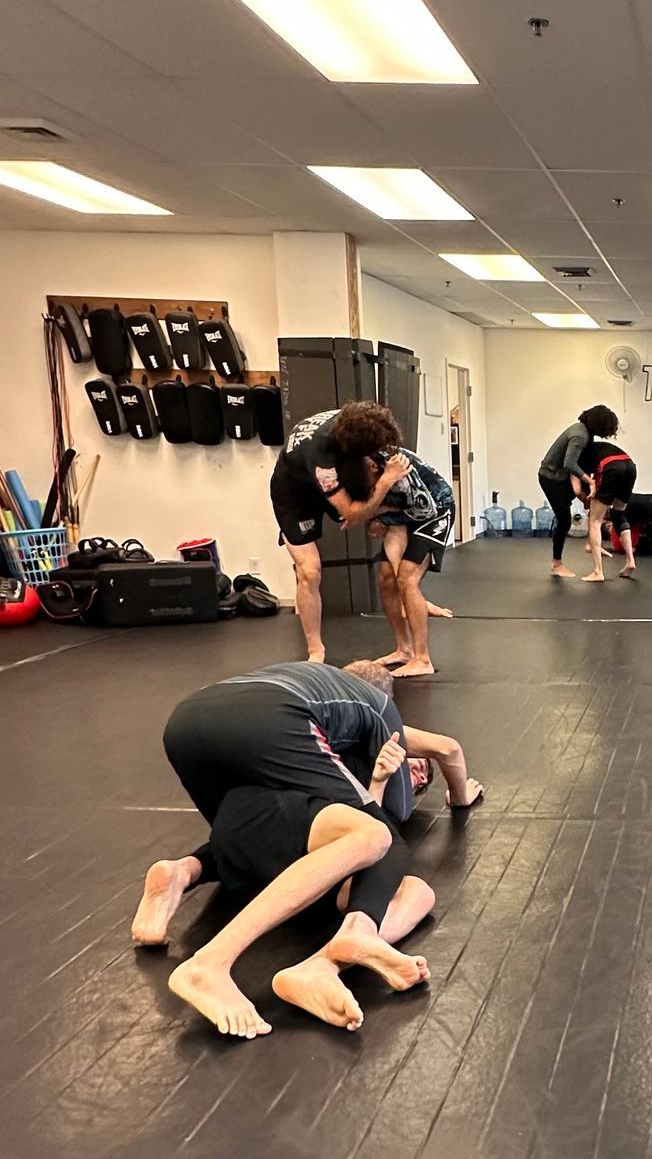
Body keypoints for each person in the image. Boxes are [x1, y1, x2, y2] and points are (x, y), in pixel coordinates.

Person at [133, 661, 482, 1037]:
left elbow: (254, 825)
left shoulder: (313, 745)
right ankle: (211, 963)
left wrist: (381, 785)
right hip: (271, 730)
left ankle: (316, 961)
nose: (414, 774)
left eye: (421, 778)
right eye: (416, 766)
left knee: (417, 891)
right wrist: (459, 796)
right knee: (378, 837)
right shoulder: (378, 717)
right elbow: (444, 751)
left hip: (189, 728)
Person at [269, 402, 413, 664]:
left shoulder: (355, 422)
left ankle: (406, 636)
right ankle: (316, 651)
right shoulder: (323, 461)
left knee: (389, 517)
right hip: (295, 494)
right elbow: (351, 513)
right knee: (309, 571)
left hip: (334, 469)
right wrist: (385, 482)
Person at [369, 445, 456, 678]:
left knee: (407, 578)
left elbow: (425, 509)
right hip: (406, 512)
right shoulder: (351, 467)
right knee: (387, 578)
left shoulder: (396, 464)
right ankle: (404, 650)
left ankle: (423, 659)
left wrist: (380, 514)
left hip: (436, 510)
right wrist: (378, 515)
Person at [538, 404, 619, 577]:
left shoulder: (585, 432)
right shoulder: (580, 435)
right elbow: (569, 463)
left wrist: (584, 488)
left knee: (595, 498)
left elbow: (580, 462)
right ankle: (556, 564)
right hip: (551, 478)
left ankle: (592, 543)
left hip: (562, 476)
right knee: (564, 520)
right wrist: (588, 481)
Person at [576, 437, 638, 582]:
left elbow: (581, 487)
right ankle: (630, 560)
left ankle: (598, 572)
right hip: (630, 466)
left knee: (594, 521)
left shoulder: (577, 457)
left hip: (611, 467)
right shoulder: (598, 447)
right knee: (618, 513)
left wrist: (586, 502)